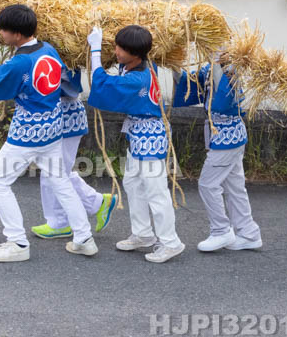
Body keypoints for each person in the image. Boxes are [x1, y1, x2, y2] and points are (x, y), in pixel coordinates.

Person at [0, 4, 97, 262]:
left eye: (3, 31)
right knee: (60, 181)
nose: (1, 34)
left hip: (27, 133)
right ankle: (84, 238)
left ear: (17, 34)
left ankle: (18, 242)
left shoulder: (20, 62)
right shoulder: (48, 49)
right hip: (52, 128)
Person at [86, 24, 185, 262]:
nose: (117, 52)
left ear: (136, 53)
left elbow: (101, 83)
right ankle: (143, 234)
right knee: (132, 184)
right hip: (138, 134)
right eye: (117, 46)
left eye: (122, 49)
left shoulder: (137, 78)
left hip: (150, 136)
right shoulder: (139, 66)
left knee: (156, 191)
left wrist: (95, 50)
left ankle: (171, 242)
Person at [172, 56, 262, 252]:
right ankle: (249, 233)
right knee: (234, 187)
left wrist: (216, 62)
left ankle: (221, 230)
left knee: (208, 184)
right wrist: (173, 63)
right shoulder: (210, 68)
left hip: (227, 138)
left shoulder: (232, 70)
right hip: (227, 137)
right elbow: (191, 84)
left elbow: (222, 101)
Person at [30, 68, 117, 240]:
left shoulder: (62, 60)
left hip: (65, 117)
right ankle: (97, 202)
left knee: (54, 173)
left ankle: (60, 222)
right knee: (57, 172)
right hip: (56, 117)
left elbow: (70, 87)